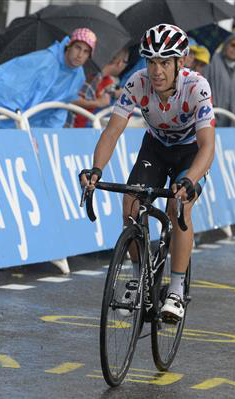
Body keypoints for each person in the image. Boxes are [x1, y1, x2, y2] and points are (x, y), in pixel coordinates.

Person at [79, 24, 215, 321]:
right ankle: (141, 278)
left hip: (190, 152)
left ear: (181, 61)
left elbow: (208, 147)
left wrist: (189, 179)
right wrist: (96, 169)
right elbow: (112, 132)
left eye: (165, 62)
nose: (156, 70)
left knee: (179, 207)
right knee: (131, 203)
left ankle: (177, 291)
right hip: (155, 148)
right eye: (151, 62)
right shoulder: (136, 83)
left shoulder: (197, 87)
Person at [0, 28, 96, 128]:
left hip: (24, 132)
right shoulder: (44, 61)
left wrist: (48, 138)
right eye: (78, 47)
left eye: (86, 52)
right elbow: (5, 89)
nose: (80, 55)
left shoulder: (78, 76)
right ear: (69, 46)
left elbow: (58, 110)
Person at [70, 47, 129, 128]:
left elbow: (107, 91)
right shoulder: (94, 76)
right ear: (119, 62)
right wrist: (98, 103)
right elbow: (72, 101)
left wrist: (114, 93)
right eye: (126, 62)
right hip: (73, 129)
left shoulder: (105, 78)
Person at [204, 33, 235, 126]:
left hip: (231, 121)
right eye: (233, 45)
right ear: (226, 45)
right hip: (211, 119)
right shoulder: (213, 60)